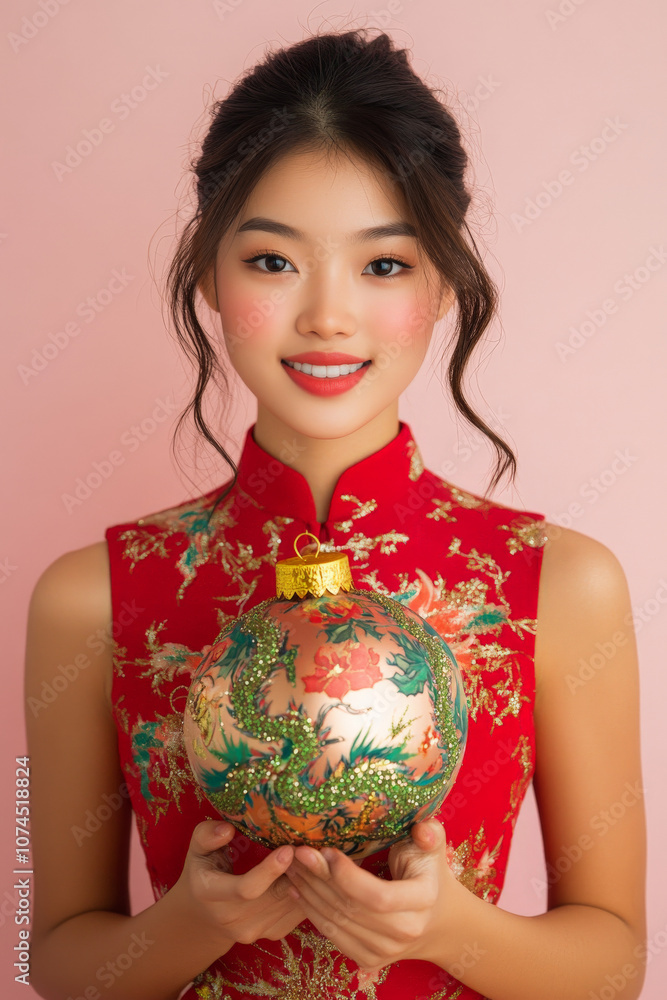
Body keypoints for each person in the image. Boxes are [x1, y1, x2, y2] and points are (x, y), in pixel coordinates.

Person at [24, 27, 646, 1000]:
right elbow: (48, 957)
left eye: (383, 266)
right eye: (273, 261)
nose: (327, 315)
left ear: (442, 282)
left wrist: (452, 929)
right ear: (207, 275)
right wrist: (191, 922)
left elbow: (615, 960)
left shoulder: (560, 583)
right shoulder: (89, 598)